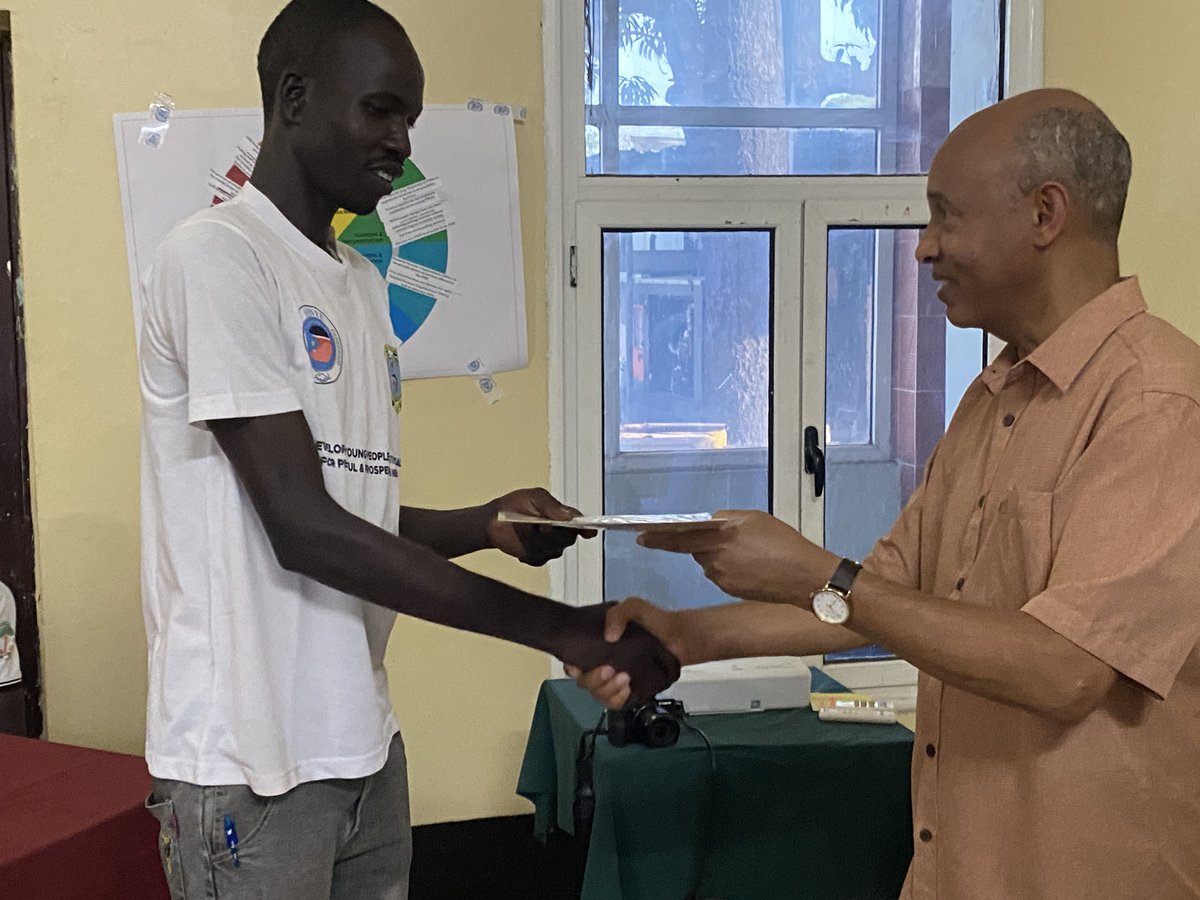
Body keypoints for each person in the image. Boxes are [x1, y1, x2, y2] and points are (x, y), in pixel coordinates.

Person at [573, 89, 1200, 899]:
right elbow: (877, 601)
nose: (922, 249)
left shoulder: (1157, 405)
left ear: (1047, 214)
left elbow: (1066, 669)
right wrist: (685, 636)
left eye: (946, 216)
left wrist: (818, 574)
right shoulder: (992, 401)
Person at [137, 2, 678, 897]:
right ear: (295, 97)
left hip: (362, 743)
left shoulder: (356, 280)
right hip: (248, 762)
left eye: (412, 121)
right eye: (381, 110)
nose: (401, 143)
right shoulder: (216, 258)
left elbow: (353, 510)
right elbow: (304, 530)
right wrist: (563, 632)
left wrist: (485, 523)